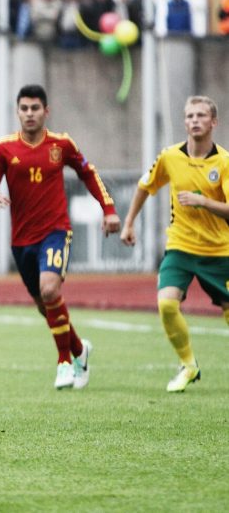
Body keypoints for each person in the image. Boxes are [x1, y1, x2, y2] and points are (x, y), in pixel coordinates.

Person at [0, 84, 120, 390]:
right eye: (24, 108)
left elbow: (89, 173)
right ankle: (80, 350)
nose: (29, 114)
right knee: (46, 304)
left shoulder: (62, 144)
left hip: (56, 231)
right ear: (17, 112)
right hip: (21, 240)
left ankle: (64, 363)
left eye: (35, 108)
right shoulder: (4, 148)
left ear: (46, 111)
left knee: (49, 290)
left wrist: (108, 208)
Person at [120, 96, 229, 392]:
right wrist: (129, 222)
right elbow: (145, 186)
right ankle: (188, 365)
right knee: (167, 304)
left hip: (219, 251)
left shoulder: (224, 162)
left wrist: (203, 201)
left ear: (213, 122)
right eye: (190, 115)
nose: (194, 120)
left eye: (201, 115)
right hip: (180, 247)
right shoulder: (169, 156)